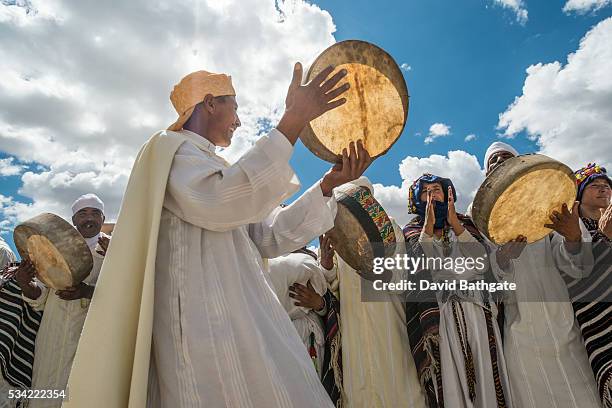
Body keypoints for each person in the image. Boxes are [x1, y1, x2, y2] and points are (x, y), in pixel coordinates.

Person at [64, 65, 372, 408]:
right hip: (201, 324)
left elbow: (269, 236)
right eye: (235, 108)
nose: (238, 121)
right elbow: (218, 201)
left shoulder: (215, 166)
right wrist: (293, 119)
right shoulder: (172, 150)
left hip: (242, 318)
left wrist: (328, 185)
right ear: (210, 103)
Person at [479, 143, 601, 408]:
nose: (500, 161)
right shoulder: (485, 226)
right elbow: (486, 283)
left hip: (566, 331)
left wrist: (572, 236)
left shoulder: (553, 206)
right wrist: (501, 259)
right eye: (494, 161)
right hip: (521, 341)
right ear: (487, 175)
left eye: (506, 157)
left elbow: (579, 267)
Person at [403, 174, 512, 408]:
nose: (432, 194)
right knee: (453, 382)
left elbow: (482, 264)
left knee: (487, 378)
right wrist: (429, 227)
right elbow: (422, 270)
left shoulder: (466, 224)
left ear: (448, 193)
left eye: (437, 189)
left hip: (479, 313)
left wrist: (455, 224)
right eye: (426, 191)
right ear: (417, 199)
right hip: (443, 317)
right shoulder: (412, 231)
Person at [315, 176, 425, 408]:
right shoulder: (335, 233)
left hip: (387, 319)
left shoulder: (390, 227)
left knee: (397, 383)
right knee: (360, 388)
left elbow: (404, 274)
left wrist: (383, 275)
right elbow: (332, 285)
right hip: (353, 322)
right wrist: (325, 264)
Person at [14, 194, 108, 408]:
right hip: (53, 331)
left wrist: (87, 292)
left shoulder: (116, 250)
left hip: (89, 333)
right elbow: (41, 297)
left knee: (81, 392)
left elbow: (125, 293)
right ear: (73, 220)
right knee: (46, 388)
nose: (89, 218)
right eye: (82, 213)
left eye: (95, 213)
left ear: (103, 218)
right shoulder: (51, 250)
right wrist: (25, 283)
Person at [560, 163, 612, 407]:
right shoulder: (570, 232)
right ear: (579, 195)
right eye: (595, 185)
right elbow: (579, 272)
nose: (603, 189)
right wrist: (604, 237)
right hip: (604, 335)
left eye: (606, 186)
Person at [267, 247, 328, 376]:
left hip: (309, 339)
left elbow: (334, 295)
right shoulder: (260, 261)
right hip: (276, 342)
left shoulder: (311, 259)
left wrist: (319, 304)